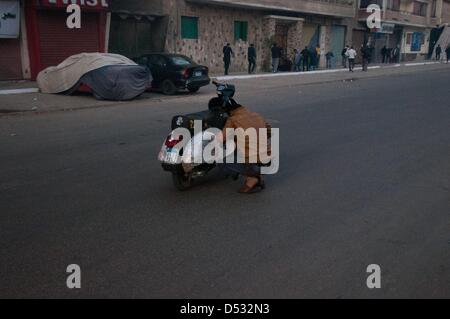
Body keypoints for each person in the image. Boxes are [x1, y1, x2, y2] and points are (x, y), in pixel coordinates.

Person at [219, 101, 271, 194]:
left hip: (253, 158)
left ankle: (253, 178)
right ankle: (254, 173)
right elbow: (269, 132)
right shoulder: (257, 115)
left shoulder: (233, 119)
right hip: (268, 158)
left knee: (221, 158)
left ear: (229, 111)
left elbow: (221, 138)